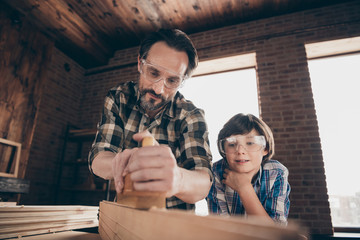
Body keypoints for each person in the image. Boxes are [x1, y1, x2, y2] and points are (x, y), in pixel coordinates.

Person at [88, 29, 213, 210]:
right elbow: (98, 159)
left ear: (182, 80)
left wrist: (177, 179)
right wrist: (124, 162)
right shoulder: (119, 98)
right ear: (140, 63)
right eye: (153, 73)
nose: (158, 89)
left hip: (173, 228)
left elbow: (203, 183)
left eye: (172, 81)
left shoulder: (191, 115)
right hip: (124, 220)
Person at [206, 113, 290, 224]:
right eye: (231, 144)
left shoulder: (276, 172)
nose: (240, 150)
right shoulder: (215, 173)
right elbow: (222, 230)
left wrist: (244, 188)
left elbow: (274, 231)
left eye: (250, 143)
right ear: (223, 149)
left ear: (266, 149)